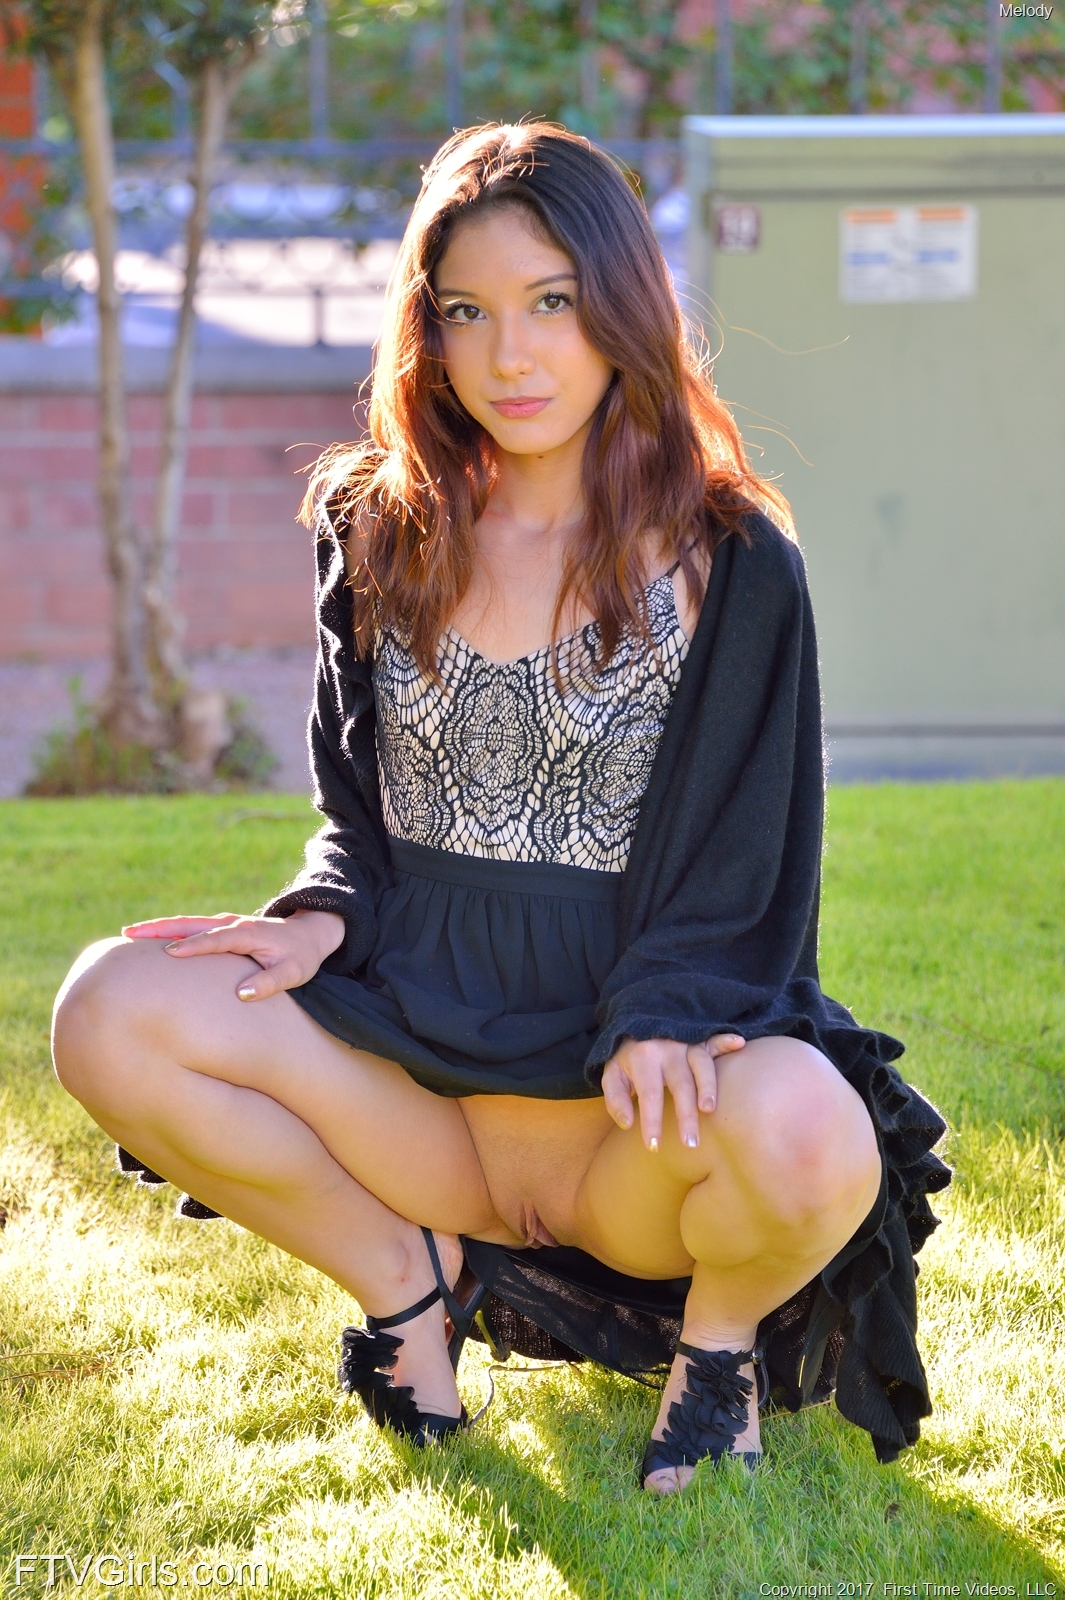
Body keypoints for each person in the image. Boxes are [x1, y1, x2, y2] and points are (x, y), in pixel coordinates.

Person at [51, 123, 950, 1496]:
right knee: (110, 1007)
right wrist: (321, 913)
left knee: (813, 1129)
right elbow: (358, 805)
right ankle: (407, 1292)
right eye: (467, 311)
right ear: (428, 329)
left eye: (551, 304)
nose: (510, 357)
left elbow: (751, 859)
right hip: (420, 1095)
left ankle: (715, 1355)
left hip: (629, 1126)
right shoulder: (377, 526)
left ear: (621, 309)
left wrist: (668, 1008)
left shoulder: (728, 557)